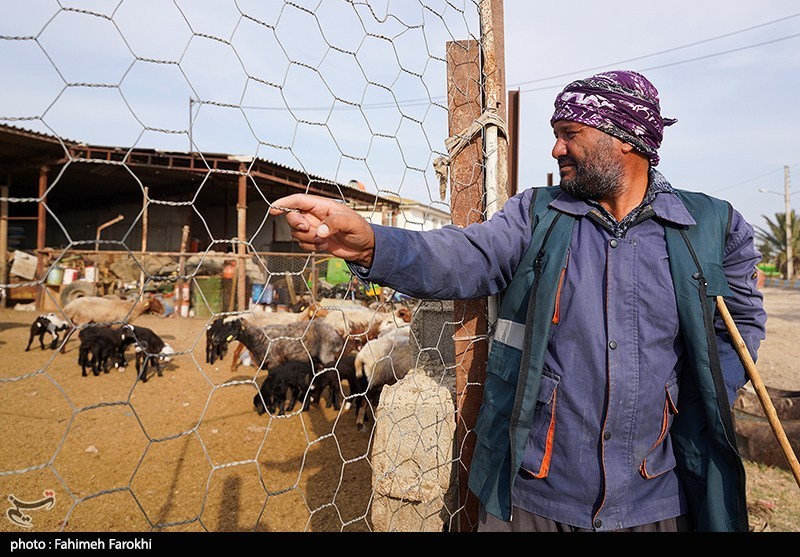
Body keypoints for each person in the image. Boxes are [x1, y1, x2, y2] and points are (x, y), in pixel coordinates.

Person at [268, 70, 767, 532]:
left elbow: (741, 323)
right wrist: (373, 244)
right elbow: (462, 255)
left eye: (570, 132)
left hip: (655, 496)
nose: (555, 148)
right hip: (535, 494)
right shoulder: (538, 216)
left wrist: (692, 398)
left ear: (626, 139)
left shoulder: (711, 228)